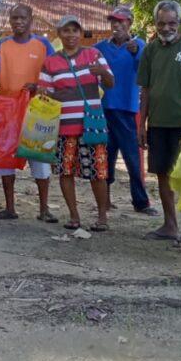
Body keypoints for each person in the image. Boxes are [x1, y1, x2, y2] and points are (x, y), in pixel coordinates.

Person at [0, 4, 57, 221]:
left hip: (38, 112)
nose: (18, 22)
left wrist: (39, 85)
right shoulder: (3, 45)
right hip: (7, 112)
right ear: (9, 20)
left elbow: (54, 71)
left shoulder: (43, 44)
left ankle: (44, 209)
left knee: (40, 161)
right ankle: (10, 208)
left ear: (31, 18)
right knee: (6, 158)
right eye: (14, 18)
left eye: (22, 17)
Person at [137, 0, 181, 246]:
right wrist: (141, 124)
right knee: (162, 174)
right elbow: (145, 89)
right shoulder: (150, 50)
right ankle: (169, 225)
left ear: (180, 23)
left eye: (171, 23)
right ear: (155, 23)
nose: (166, 27)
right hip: (157, 123)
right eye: (161, 23)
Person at [40, 16, 114, 231]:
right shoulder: (50, 62)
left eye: (74, 30)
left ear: (80, 33)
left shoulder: (94, 55)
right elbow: (46, 94)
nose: (70, 35)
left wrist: (102, 73)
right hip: (63, 127)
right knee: (65, 172)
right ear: (59, 34)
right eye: (66, 31)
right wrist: (42, 92)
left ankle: (102, 217)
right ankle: (74, 216)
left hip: (91, 125)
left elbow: (111, 83)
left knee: (98, 173)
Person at [94, 5, 157, 216]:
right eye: (113, 21)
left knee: (133, 158)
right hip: (103, 109)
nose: (116, 25)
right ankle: (106, 199)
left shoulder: (139, 45)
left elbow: (146, 73)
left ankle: (141, 202)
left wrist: (137, 53)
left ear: (129, 23)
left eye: (121, 21)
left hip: (128, 110)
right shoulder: (100, 47)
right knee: (106, 156)